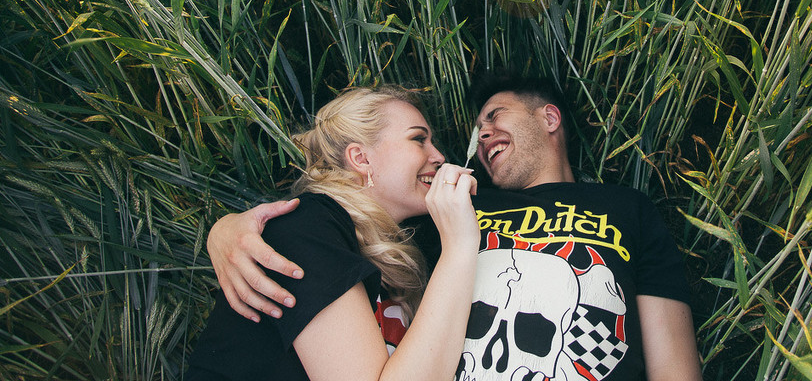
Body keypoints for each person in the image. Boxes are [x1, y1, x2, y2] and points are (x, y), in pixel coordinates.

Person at [207, 75, 703, 381]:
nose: (479, 135)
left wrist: (225, 232)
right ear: (360, 157)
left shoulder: (628, 208)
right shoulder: (443, 216)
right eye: (420, 139)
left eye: (495, 115)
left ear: (549, 118)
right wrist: (227, 231)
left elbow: (673, 363)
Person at [186, 86, 479, 381]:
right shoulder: (308, 227)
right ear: (361, 158)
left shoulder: (408, 241)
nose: (439, 156)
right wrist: (459, 246)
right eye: (418, 139)